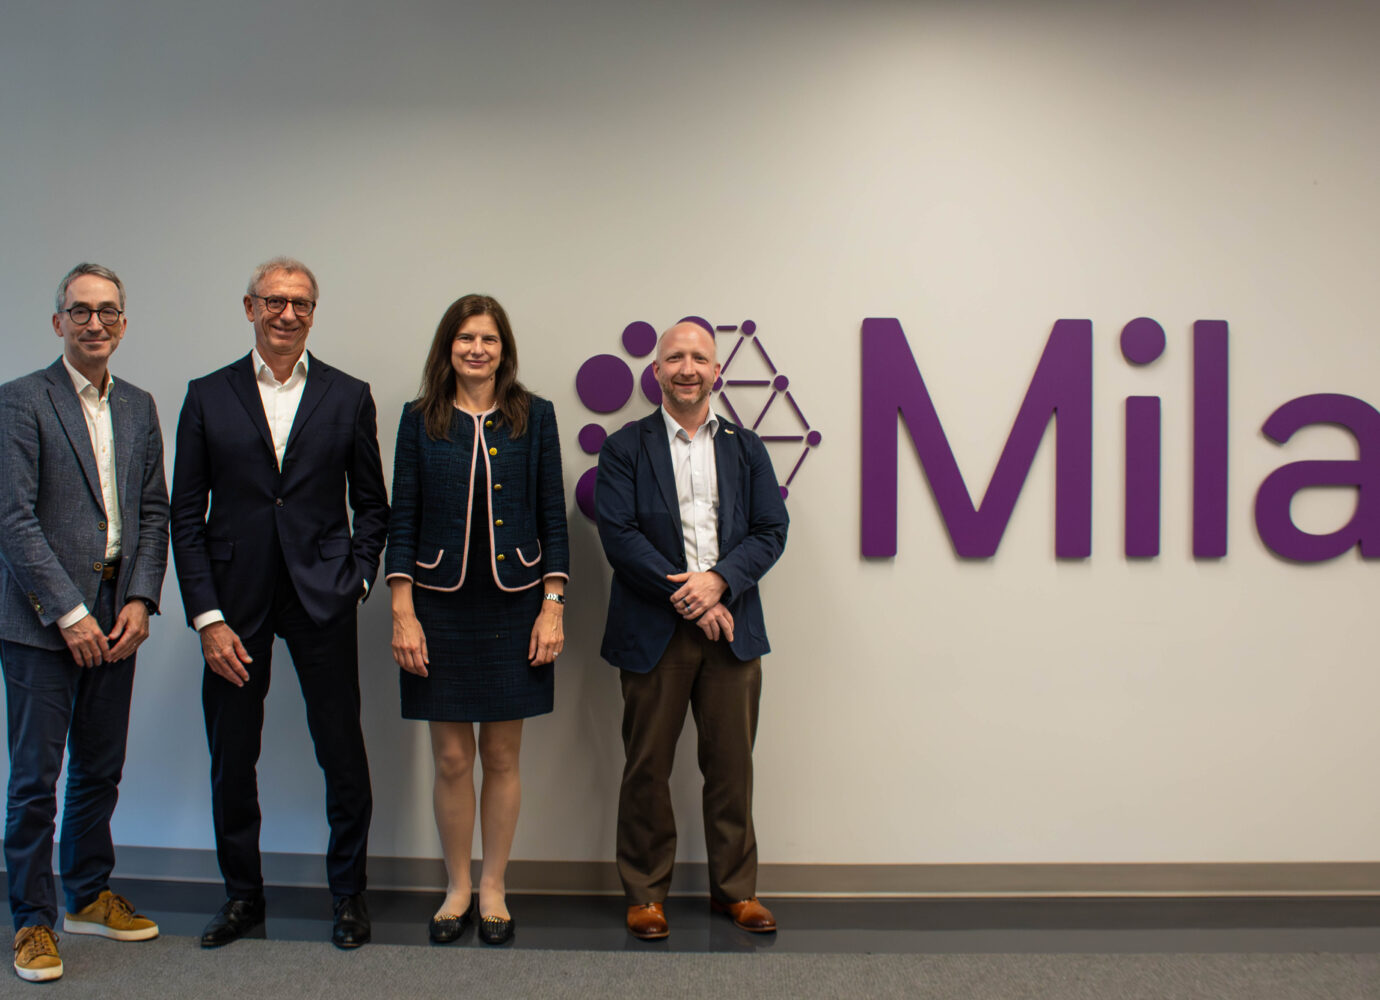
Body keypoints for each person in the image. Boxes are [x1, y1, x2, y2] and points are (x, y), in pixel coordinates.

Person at [169, 257, 388, 950]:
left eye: (300, 303)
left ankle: (349, 896)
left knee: (342, 754)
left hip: (323, 597)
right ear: (250, 308)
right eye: (274, 301)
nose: (287, 314)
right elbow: (184, 515)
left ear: (313, 313)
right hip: (232, 608)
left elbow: (373, 506)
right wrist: (206, 617)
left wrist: (357, 579)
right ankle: (242, 898)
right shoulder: (207, 396)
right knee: (232, 757)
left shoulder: (349, 395)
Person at [0, 263, 169, 983]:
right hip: (41, 620)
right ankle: (32, 922)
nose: (94, 323)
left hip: (116, 611)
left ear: (123, 324)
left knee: (100, 767)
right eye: (80, 311)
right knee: (36, 778)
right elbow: (13, 520)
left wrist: (139, 599)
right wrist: (69, 611)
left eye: (107, 312)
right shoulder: (20, 401)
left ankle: (88, 894)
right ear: (58, 322)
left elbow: (154, 511)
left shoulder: (137, 405)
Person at [595, 319, 789, 940]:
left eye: (699, 358)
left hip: (732, 630)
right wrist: (695, 597)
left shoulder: (746, 447)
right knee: (646, 768)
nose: (687, 369)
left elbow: (771, 530)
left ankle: (736, 891)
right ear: (656, 371)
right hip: (653, 630)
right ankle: (646, 895)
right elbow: (619, 536)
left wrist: (720, 582)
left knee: (732, 767)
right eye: (675, 358)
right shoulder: (625, 447)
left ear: (716, 371)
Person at [387, 294, 568, 946]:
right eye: (466, 337)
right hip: (437, 606)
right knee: (452, 758)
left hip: (516, 605)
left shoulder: (535, 416)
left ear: (503, 349)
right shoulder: (419, 420)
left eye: (489, 338)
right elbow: (402, 518)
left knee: (501, 755)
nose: (477, 349)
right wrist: (403, 613)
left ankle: (494, 887)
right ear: (449, 346)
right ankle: (457, 887)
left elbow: (553, 515)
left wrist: (552, 606)